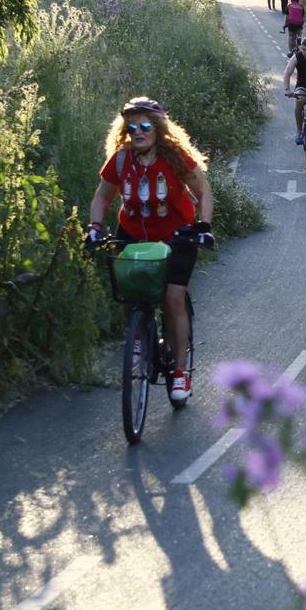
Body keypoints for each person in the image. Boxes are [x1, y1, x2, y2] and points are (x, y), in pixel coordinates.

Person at [87, 97, 214, 402]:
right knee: (130, 295)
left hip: (177, 236)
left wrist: (204, 227)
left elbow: (203, 191)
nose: (138, 131)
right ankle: (138, 340)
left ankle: (181, 372)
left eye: (145, 125)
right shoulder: (120, 160)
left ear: (157, 128)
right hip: (132, 233)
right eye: (132, 127)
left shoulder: (175, 157)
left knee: (173, 299)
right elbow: (102, 197)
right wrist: (94, 228)